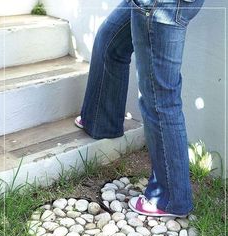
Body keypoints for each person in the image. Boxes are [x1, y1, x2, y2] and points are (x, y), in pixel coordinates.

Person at [75, 0, 205, 217]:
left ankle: (170, 199)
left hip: (159, 5)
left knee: (160, 96)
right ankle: (101, 120)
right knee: (110, 40)